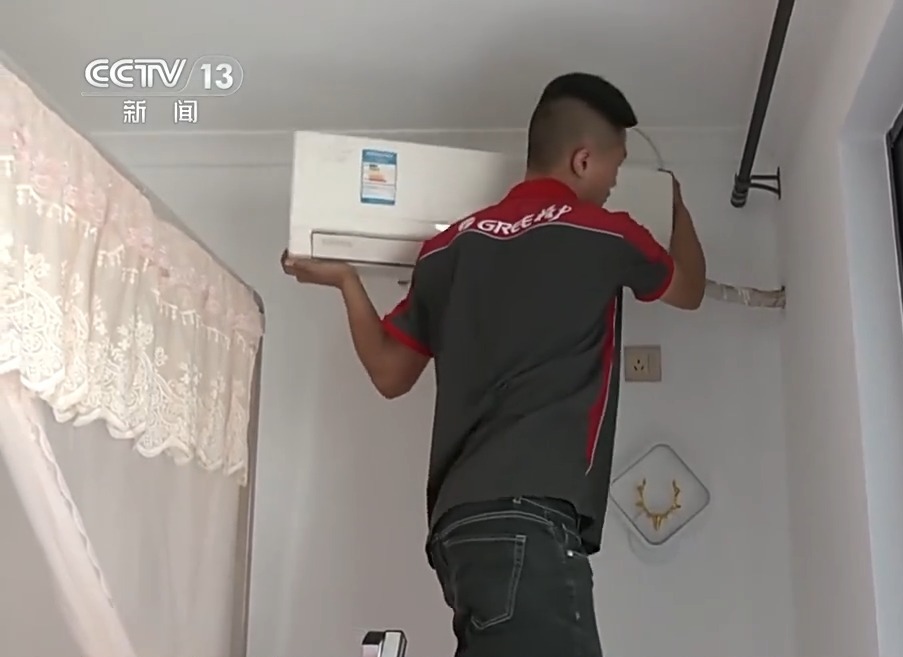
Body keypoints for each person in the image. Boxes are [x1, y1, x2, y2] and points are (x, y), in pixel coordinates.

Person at [281, 72, 706, 657]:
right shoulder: (605, 233)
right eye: (616, 163)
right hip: (530, 519)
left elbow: (389, 373)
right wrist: (675, 204)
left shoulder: (448, 248)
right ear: (583, 160)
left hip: (459, 529)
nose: (614, 182)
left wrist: (348, 283)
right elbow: (690, 289)